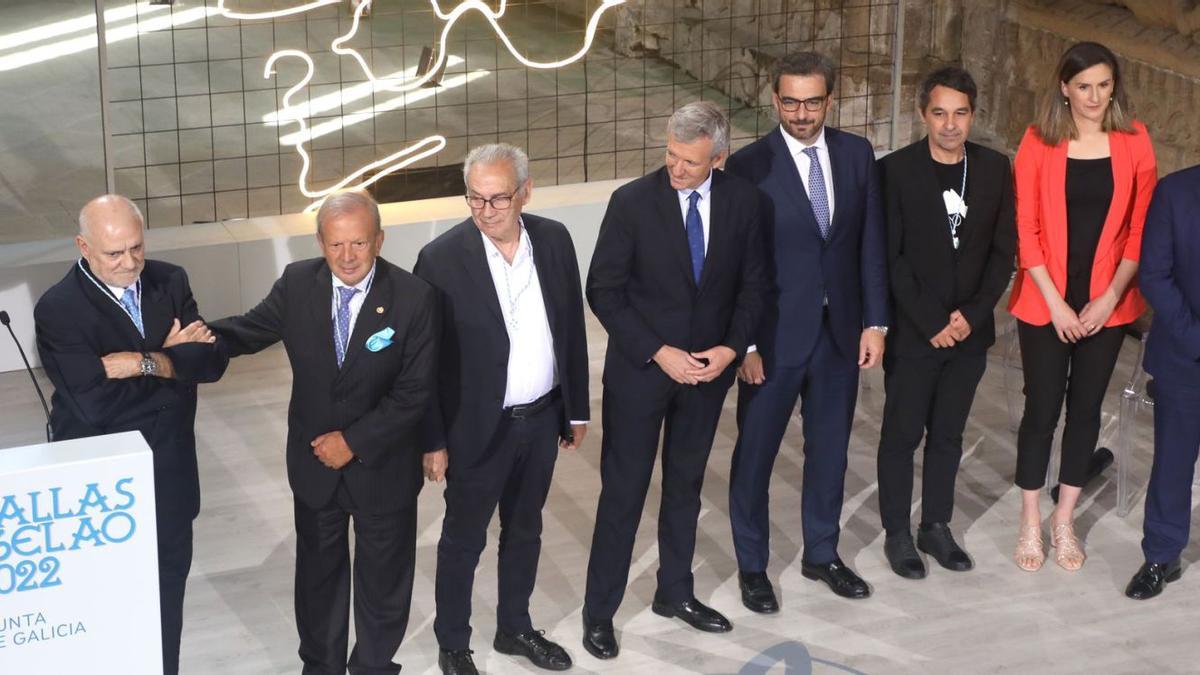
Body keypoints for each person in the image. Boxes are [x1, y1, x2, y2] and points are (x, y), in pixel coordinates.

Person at [210, 191, 438, 675]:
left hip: (384, 469)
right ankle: (322, 667)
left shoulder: (415, 297)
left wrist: (351, 442)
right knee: (317, 580)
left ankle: (374, 667)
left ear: (379, 240)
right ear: (319, 242)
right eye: (336, 244)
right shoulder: (297, 284)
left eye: (359, 243)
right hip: (315, 471)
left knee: (383, 583)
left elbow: (415, 393)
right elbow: (247, 332)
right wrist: (192, 341)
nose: (348, 256)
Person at [581, 101, 768, 659]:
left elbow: (754, 286)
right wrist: (659, 352)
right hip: (642, 375)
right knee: (624, 493)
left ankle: (675, 593)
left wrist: (731, 349)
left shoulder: (746, 204)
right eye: (670, 155)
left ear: (719, 156)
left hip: (707, 377)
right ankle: (599, 614)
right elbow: (603, 291)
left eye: (689, 160)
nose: (676, 168)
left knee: (685, 486)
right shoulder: (631, 203)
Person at [414, 143, 589, 674]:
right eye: (476, 200)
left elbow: (571, 329)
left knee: (526, 530)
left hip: (540, 421)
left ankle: (515, 628)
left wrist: (575, 409)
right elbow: (422, 362)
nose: (487, 211)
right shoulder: (440, 259)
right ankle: (453, 644)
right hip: (474, 430)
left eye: (499, 199)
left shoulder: (555, 241)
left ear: (525, 192)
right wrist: (433, 439)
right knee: (463, 540)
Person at [34, 194, 227, 675]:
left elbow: (211, 362)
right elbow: (95, 405)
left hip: (170, 481)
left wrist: (142, 362)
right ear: (83, 246)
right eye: (114, 253)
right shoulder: (58, 309)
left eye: (136, 248)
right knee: (108, 611)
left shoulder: (170, 279)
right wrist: (172, 367)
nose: (129, 262)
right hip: (101, 493)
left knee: (167, 608)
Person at [724, 51, 888, 608]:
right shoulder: (749, 166)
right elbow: (736, 267)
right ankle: (752, 567)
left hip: (840, 334)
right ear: (774, 101)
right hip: (770, 342)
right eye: (789, 101)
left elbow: (870, 243)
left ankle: (822, 553)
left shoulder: (856, 154)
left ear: (829, 100)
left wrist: (875, 322)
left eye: (811, 101)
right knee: (755, 456)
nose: (800, 113)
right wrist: (742, 342)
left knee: (830, 452)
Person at [1008, 41, 1157, 572]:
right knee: (1042, 409)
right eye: (1084, 86)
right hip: (1045, 300)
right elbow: (1025, 228)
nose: (1095, 96)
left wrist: (1110, 297)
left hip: (1108, 304)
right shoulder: (1038, 140)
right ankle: (1029, 518)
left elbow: (1140, 229)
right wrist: (1056, 303)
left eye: (1104, 84)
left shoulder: (1136, 141)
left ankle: (1063, 519)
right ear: (1064, 89)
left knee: (1087, 409)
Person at [875, 67, 1016, 579]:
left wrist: (971, 316)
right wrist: (933, 319)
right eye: (940, 113)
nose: (950, 124)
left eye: (960, 114)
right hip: (916, 332)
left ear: (972, 115)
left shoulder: (996, 168)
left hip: (969, 333)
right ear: (923, 115)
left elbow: (1003, 253)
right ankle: (896, 532)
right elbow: (889, 257)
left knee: (949, 435)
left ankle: (935, 526)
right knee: (901, 434)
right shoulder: (895, 171)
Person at [1124, 163, 1200, 600]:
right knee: (1173, 461)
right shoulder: (1175, 192)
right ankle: (1161, 555)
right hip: (1185, 353)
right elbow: (1154, 274)